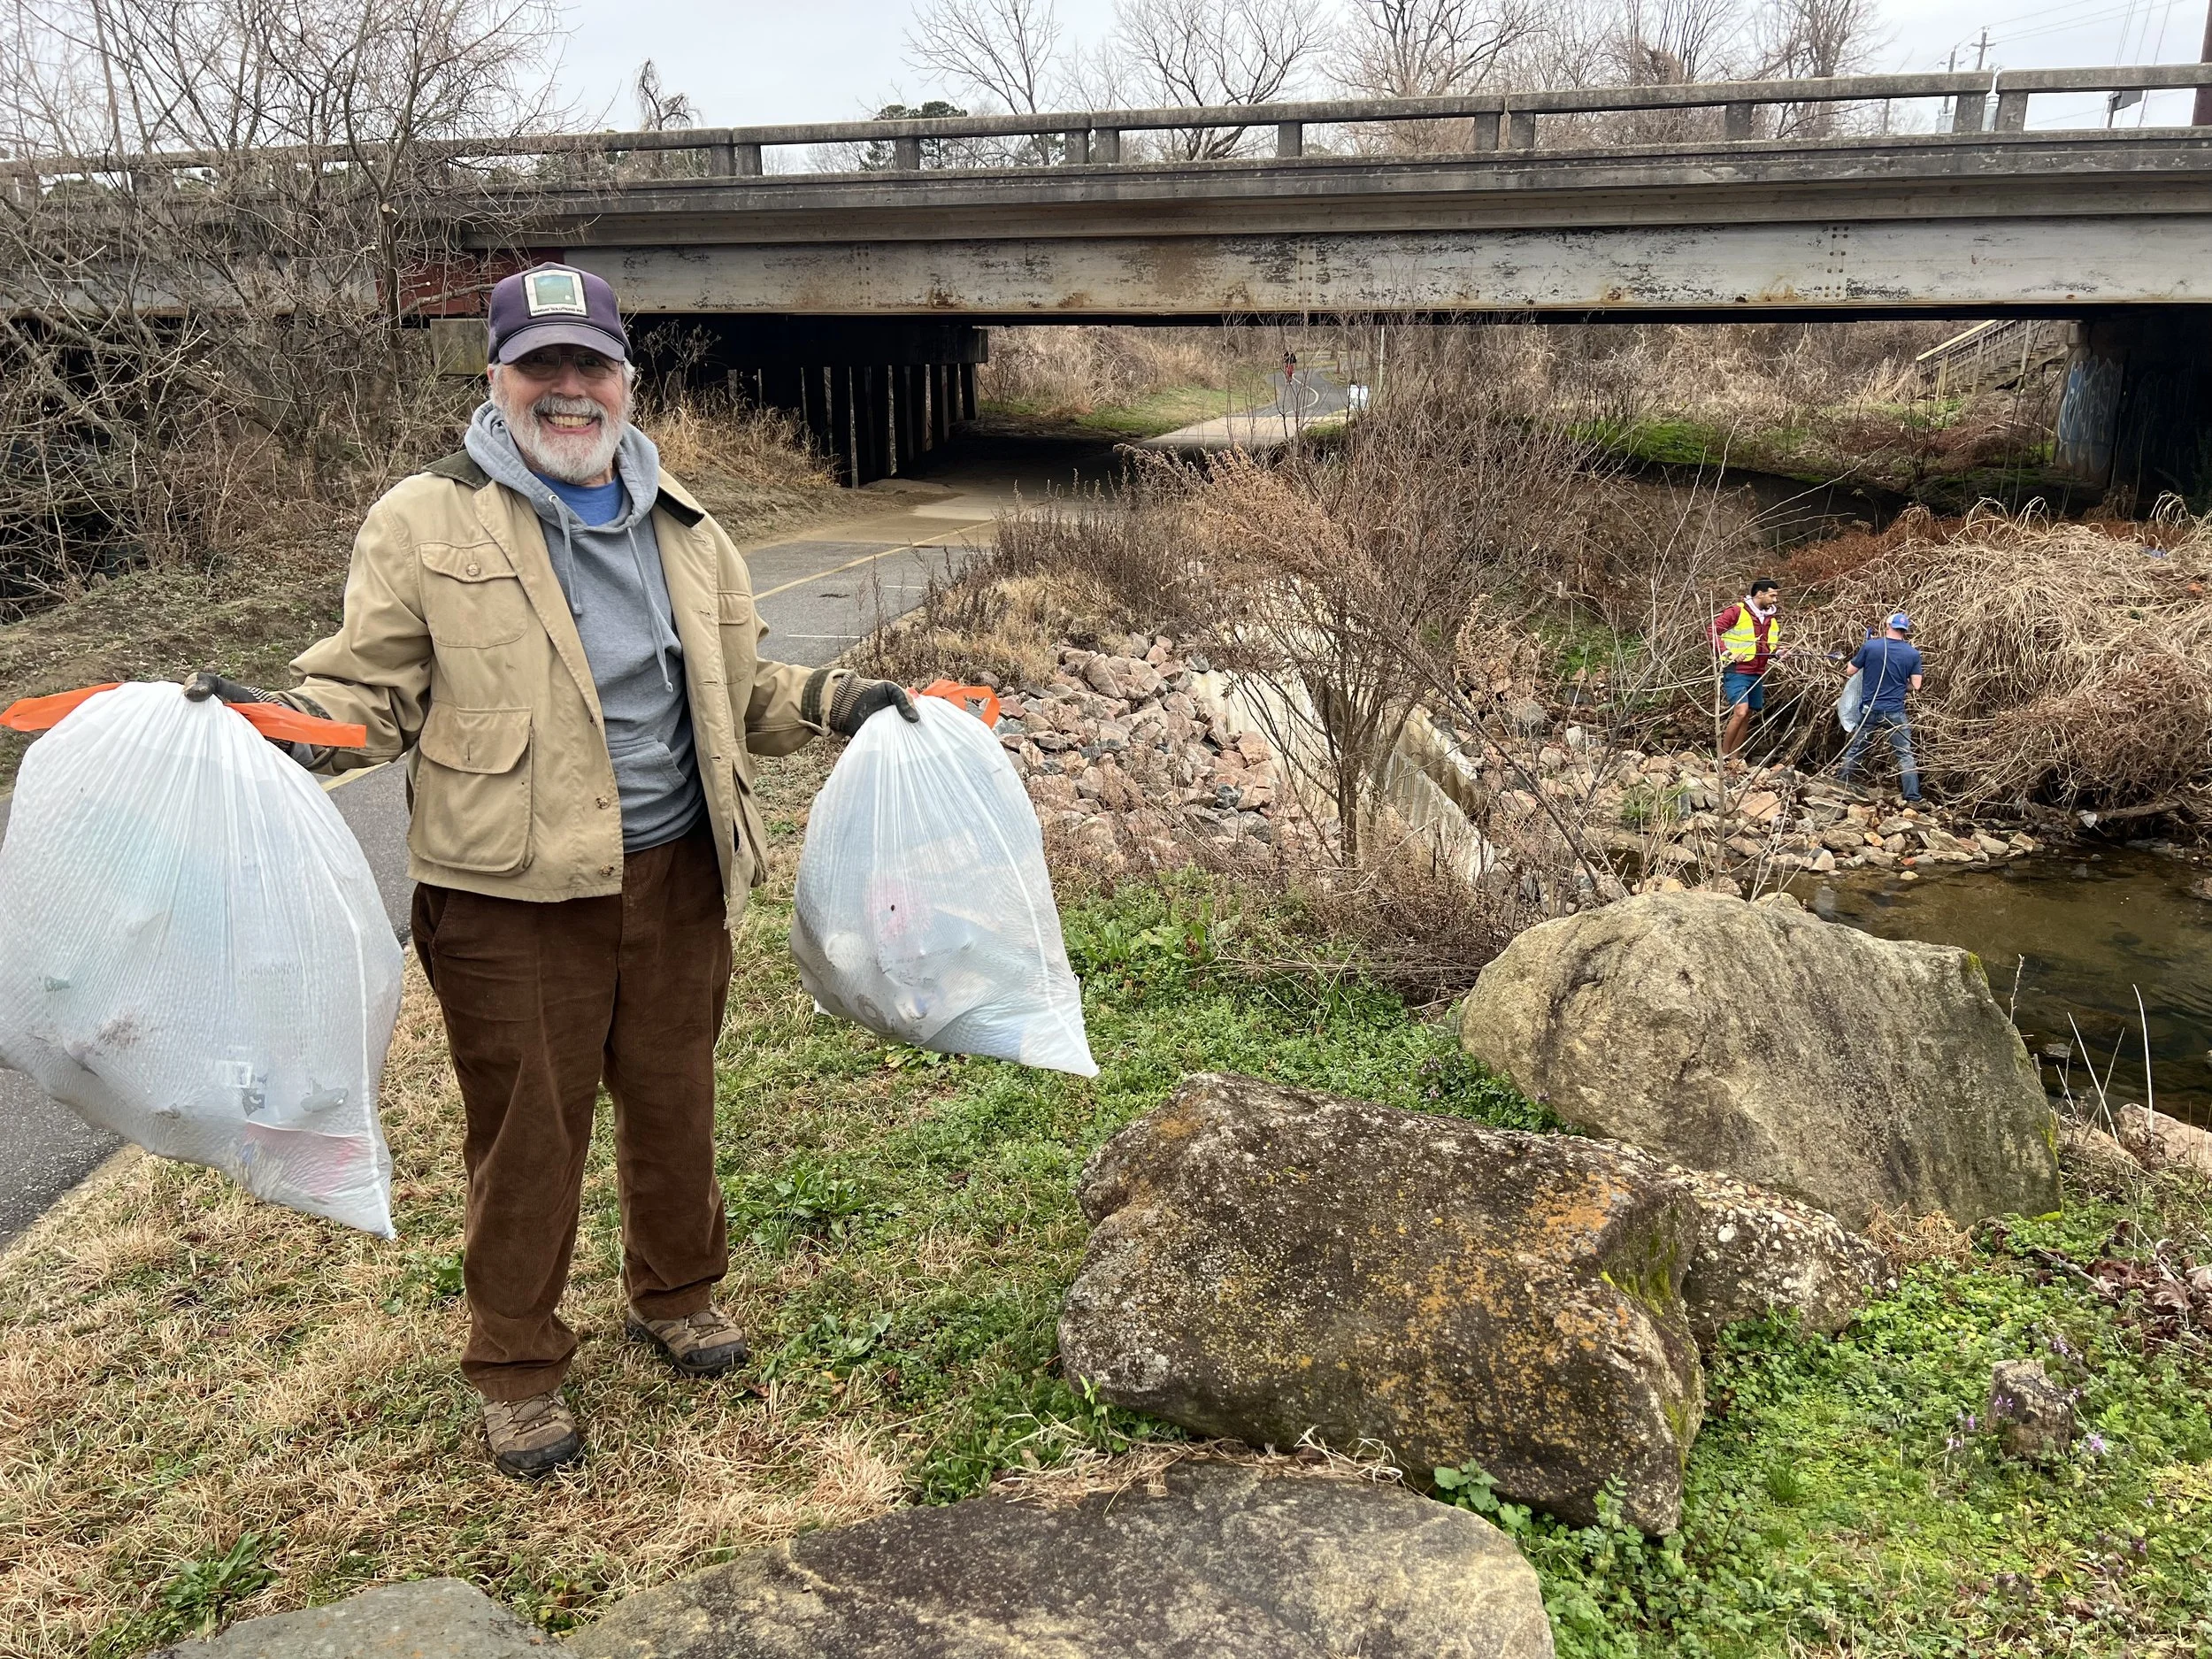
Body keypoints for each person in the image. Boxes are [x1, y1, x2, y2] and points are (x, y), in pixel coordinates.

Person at [188, 263, 921, 1479]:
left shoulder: (688, 525)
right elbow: (367, 693)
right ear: (497, 377)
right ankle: (518, 1365)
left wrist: (843, 698)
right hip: (510, 895)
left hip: (679, 872)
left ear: (626, 380)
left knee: (676, 1098)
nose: (568, 389)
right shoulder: (424, 519)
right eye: (542, 366)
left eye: (591, 365)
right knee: (527, 1132)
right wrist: (276, 723)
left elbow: (739, 689)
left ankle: (677, 1292)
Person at [1838, 611, 1924, 803]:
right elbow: (1916, 685)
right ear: (1905, 630)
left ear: (1887, 626)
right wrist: (1900, 685)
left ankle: (1840, 783)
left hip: (1870, 709)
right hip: (1895, 712)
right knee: (1904, 754)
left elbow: (1850, 671)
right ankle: (1913, 797)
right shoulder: (1913, 653)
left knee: (1857, 749)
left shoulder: (1871, 646)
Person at [1709, 578, 1785, 758]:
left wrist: (1777, 653)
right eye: (1772, 596)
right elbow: (1712, 631)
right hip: (1737, 671)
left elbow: (1767, 646)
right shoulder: (1737, 611)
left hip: (1757, 673)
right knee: (1741, 711)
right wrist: (1728, 653)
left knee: (1748, 713)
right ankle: (1722, 756)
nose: (1775, 600)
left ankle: (1734, 756)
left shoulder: (1770, 619)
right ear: (1760, 594)